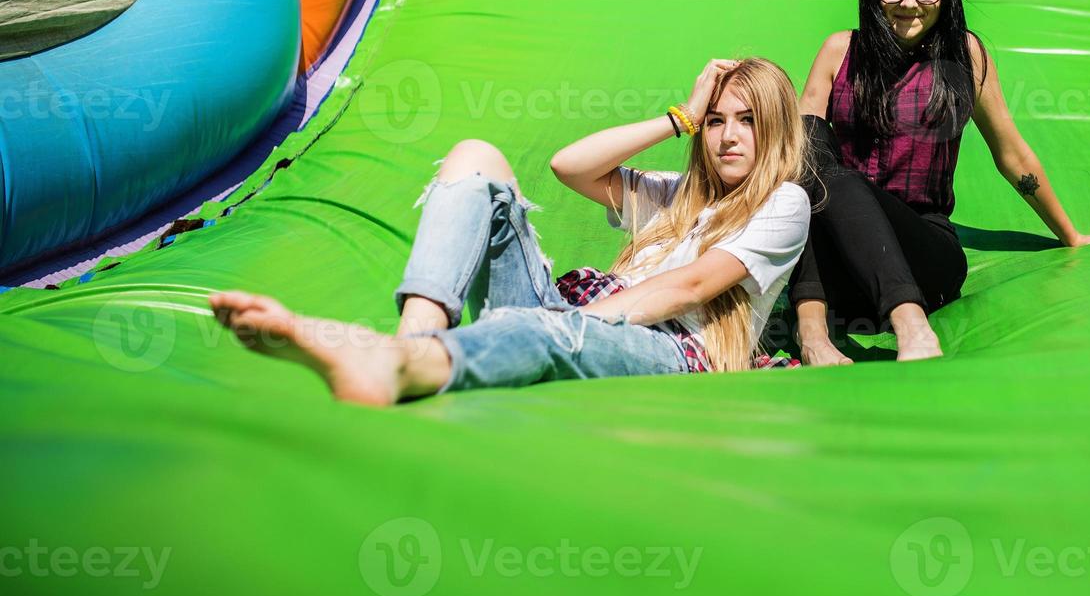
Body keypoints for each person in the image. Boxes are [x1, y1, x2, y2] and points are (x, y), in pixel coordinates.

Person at [208, 58, 811, 405]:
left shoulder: (784, 203)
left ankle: (398, 367)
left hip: (669, 349)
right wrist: (678, 115)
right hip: (581, 313)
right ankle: (415, 339)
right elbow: (570, 166)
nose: (728, 136)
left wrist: (566, 322)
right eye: (715, 121)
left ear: (776, 129)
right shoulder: (675, 196)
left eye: (748, 121)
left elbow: (691, 286)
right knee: (476, 156)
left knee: (552, 336)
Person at [792, 0, 1090, 366]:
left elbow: (1011, 153)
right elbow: (798, 157)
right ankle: (812, 337)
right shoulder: (841, 50)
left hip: (925, 256)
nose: (909, 3)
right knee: (808, 160)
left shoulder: (963, 56)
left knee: (833, 178)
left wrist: (1071, 235)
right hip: (843, 268)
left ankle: (912, 326)